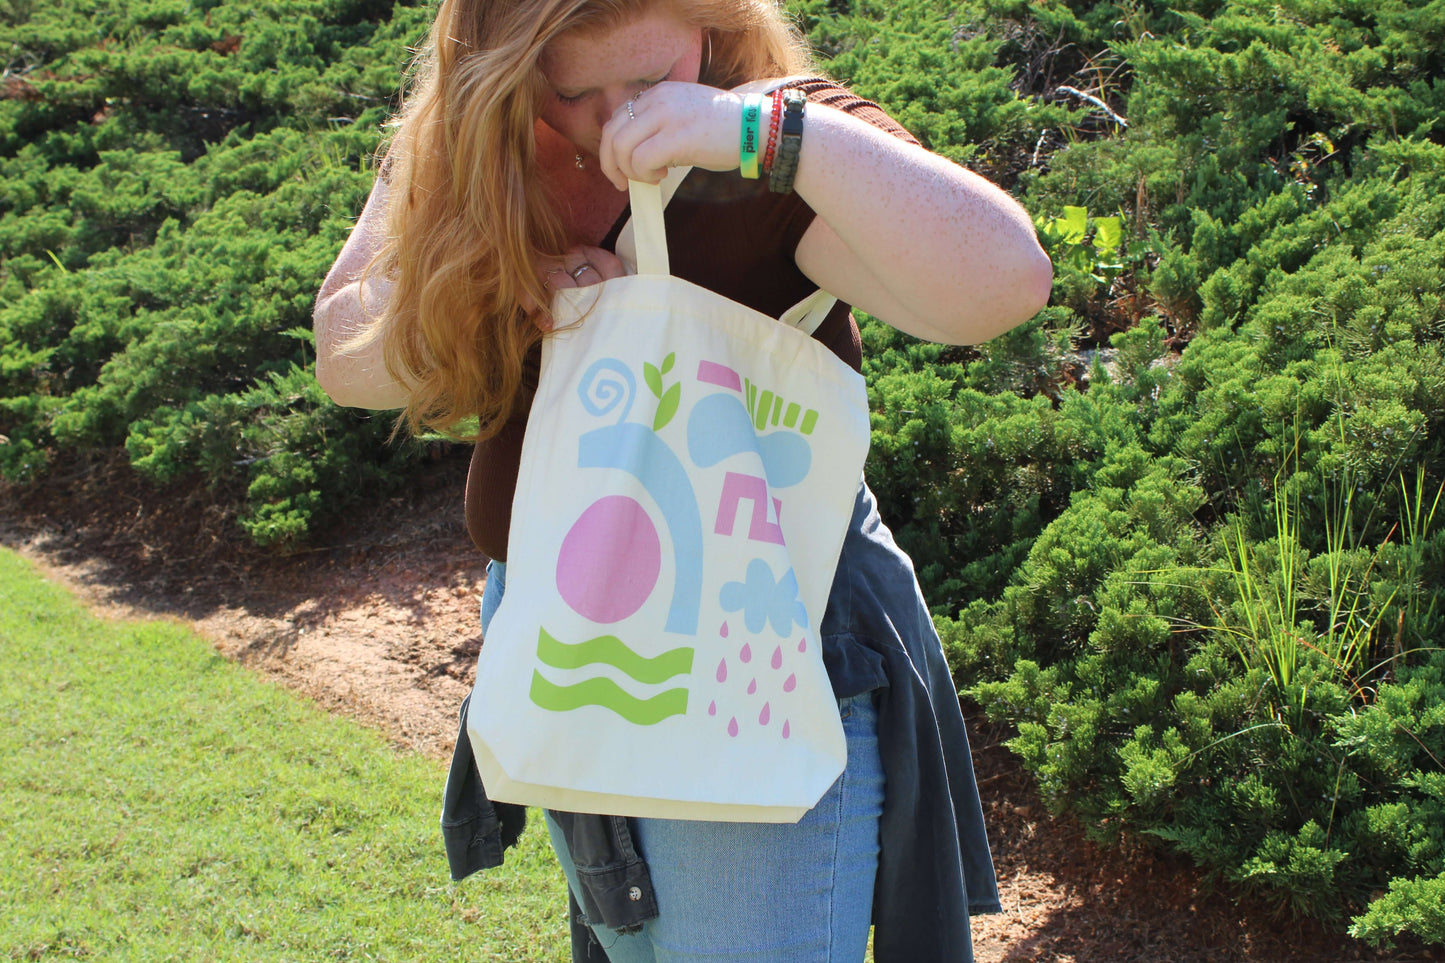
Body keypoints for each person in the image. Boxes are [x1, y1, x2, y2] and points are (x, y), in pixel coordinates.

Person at [313, 1, 1052, 960]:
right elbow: (344, 351)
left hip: (749, 644)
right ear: (509, 63)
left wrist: (759, 133)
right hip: (562, 631)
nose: (615, 118)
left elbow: (1003, 283)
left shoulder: (773, 142)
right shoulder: (480, 139)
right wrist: (500, 288)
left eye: (653, 78)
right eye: (573, 89)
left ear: (714, 18)